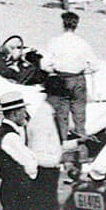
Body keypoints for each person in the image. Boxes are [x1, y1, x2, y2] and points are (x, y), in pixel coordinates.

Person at [39, 11, 95, 139]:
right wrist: (83, 70)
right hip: (78, 79)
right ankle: (81, 143)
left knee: (61, 115)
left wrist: (53, 70)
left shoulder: (55, 42)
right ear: (76, 25)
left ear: (63, 24)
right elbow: (95, 65)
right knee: (79, 115)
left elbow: (44, 65)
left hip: (61, 79)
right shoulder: (82, 43)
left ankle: (63, 142)